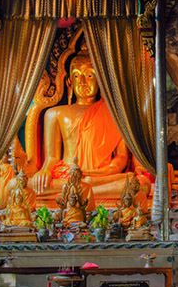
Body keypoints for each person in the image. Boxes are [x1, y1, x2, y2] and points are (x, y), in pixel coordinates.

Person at [29, 42, 130, 202]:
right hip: (67, 175)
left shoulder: (114, 115)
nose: (83, 81)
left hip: (98, 177)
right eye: (77, 75)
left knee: (136, 183)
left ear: (100, 81)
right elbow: (51, 158)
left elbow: (122, 157)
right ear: (69, 81)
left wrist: (107, 170)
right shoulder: (54, 113)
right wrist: (45, 171)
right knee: (19, 186)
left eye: (90, 75)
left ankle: (81, 189)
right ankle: (84, 189)